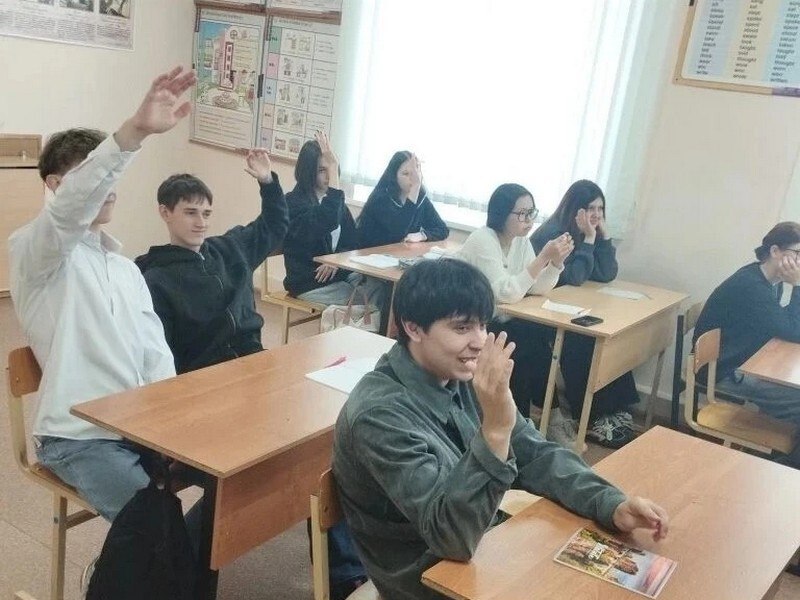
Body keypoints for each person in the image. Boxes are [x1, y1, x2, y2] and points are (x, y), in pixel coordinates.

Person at [333, 259, 669, 600]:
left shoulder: (456, 374)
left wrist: (610, 503)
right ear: (414, 328)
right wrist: (495, 431)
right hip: (425, 575)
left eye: (483, 325)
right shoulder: (379, 415)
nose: (480, 341)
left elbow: (536, 454)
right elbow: (451, 538)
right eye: (462, 328)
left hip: (483, 539)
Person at [8, 67, 195, 525]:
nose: (107, 187)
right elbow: (70, 213)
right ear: (55, 185)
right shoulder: (36, 251)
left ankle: (136, 562)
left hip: (136, 426)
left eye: (110, 175)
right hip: (77, 436)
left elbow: (155, 353)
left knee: (233, 480)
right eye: (93, 174)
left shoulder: (125, 269)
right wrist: (133, 134)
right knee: (154, 525)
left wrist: (172, 422)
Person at [135, 149, 288, 374]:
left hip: (253, 361)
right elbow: (160, 355)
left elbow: (274, 226)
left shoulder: (232, 248)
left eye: (206, 214)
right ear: (165, 213)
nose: (201, 223)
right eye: (191, 213)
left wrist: (268, 182)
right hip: (205, 376)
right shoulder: (155, 279)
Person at [455, 183, 576, 444]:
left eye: (532, 212)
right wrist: (542, 258)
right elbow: (505, 292)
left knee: (536, 341)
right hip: (471, 321)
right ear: (501, 214)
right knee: (523, 345)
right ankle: (523, 426)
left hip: (502, 320)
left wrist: (555, 263)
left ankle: (539, 420)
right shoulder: (483, 239)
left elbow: (536, 287)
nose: (529, 220)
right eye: (522, 214)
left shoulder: (520, 242)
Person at [531, 179, 639, 448]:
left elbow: (606, 273)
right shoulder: (556, 234)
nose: (596, 215)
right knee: (582, 340)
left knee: (611, 335)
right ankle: (592, 415)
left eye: (600, 209)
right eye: (590, 208)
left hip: (566, 308)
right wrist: (589, 240)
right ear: (575, 209)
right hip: (539, 311)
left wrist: (603, 237)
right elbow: (575, 277)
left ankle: (614, 409)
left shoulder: (588, 231)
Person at [694, 222, 800, 466]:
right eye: (797, 253)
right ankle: (788, 467)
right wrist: (797, 286)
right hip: (724, 371)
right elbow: (793, 330)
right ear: (775, 251)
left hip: (744, 360)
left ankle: (780, 460)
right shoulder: (751, 286)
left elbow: (783, 324)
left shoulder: (767, 281)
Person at [283, 132, 384, 308]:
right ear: (308, 171)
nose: (330, 176)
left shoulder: (335, 202)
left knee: (383, 289)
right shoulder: (293, 202)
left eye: (332, 169)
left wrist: (337, 262)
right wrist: (334, 262)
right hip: (310, 281)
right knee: (368, 304)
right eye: (322, 170)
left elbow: (353, 242)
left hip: (338, 275)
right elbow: (326, 220)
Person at [356, 151, 449, 248]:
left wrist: (422, 235)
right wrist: (415, 187)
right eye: (406, 174)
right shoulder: (381, 198)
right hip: (371, 252)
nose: (413, 179)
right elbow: (398, 233)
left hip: (398, 253)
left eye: (415, 173)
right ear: (394, 176)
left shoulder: (421, 198)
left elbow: (442, 229)